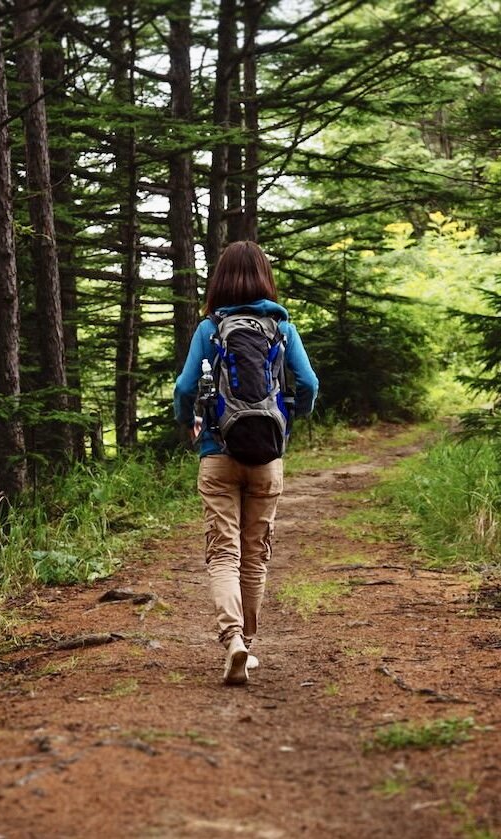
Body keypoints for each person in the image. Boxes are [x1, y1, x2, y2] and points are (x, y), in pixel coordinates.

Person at [174, 241, 319, 685]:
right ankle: (248, 647)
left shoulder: (210, 327)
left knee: (223, 553)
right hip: (267, 456)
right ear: (263, 277)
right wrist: (289, 420)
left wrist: (191, 425)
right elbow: (309, 383)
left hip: (217, 453)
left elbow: (183, 389)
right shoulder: (280, 326)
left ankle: (232, 639)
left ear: (220, 280)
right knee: (255, 556)